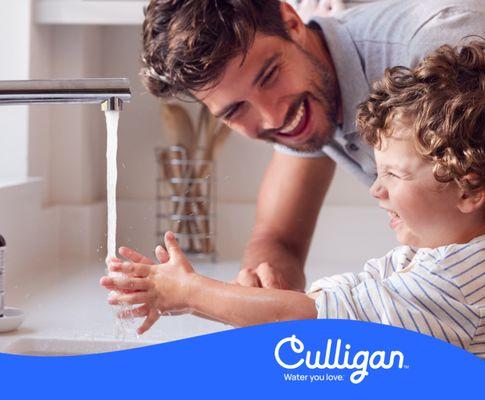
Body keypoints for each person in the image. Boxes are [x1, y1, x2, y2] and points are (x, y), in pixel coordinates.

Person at [101, 40, 485, 358]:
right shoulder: (432, 256)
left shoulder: (456, 281)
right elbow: (337, 298)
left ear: (470, 190)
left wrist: (190, 292)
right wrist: (218, 300)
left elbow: (320, 322)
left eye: (394, 174)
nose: (375, 189)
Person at [139, 0, 485, 291]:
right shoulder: (306, 98)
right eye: (235, 110)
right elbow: (278, 239)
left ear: (292, 22)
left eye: (270, 75)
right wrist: (263, 291)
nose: (273, 117)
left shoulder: (441, 45)